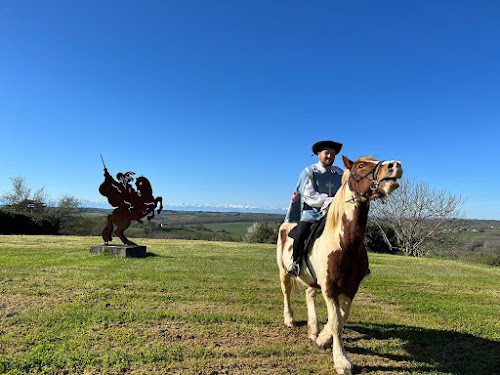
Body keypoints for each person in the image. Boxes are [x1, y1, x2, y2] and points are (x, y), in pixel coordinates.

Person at [285, 140, 344, 278]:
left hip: (335, 215)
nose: (330, 156)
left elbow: (345, 191)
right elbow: (308, 194)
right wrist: (329, 201)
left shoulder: (340, 173)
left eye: (333, 154)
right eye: (327, 153)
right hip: (312, 213)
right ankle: (296, 263)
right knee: (301, 234)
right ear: (319, 154)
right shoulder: (309, 172)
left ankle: (359, 265)